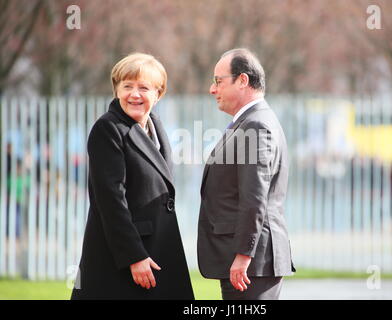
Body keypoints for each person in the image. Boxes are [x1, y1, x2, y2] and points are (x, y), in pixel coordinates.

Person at [71, 52, 194, 300]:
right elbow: (111, 201)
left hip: (158, 248)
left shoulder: (156, 127)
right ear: (116, 90)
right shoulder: (108, 129)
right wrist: (133, 256)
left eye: (143, 87)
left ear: (158, 95)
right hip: (126, 257)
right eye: (127, 86)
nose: (134, 94)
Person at [197, 48, 295, 300]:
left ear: (242, 80)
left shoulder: (256, 124)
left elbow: (254, 196)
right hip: (247, 262)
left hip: (249, 265)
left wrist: (243, 255)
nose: (212, 89)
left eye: (218, 81)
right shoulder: (251, 121)